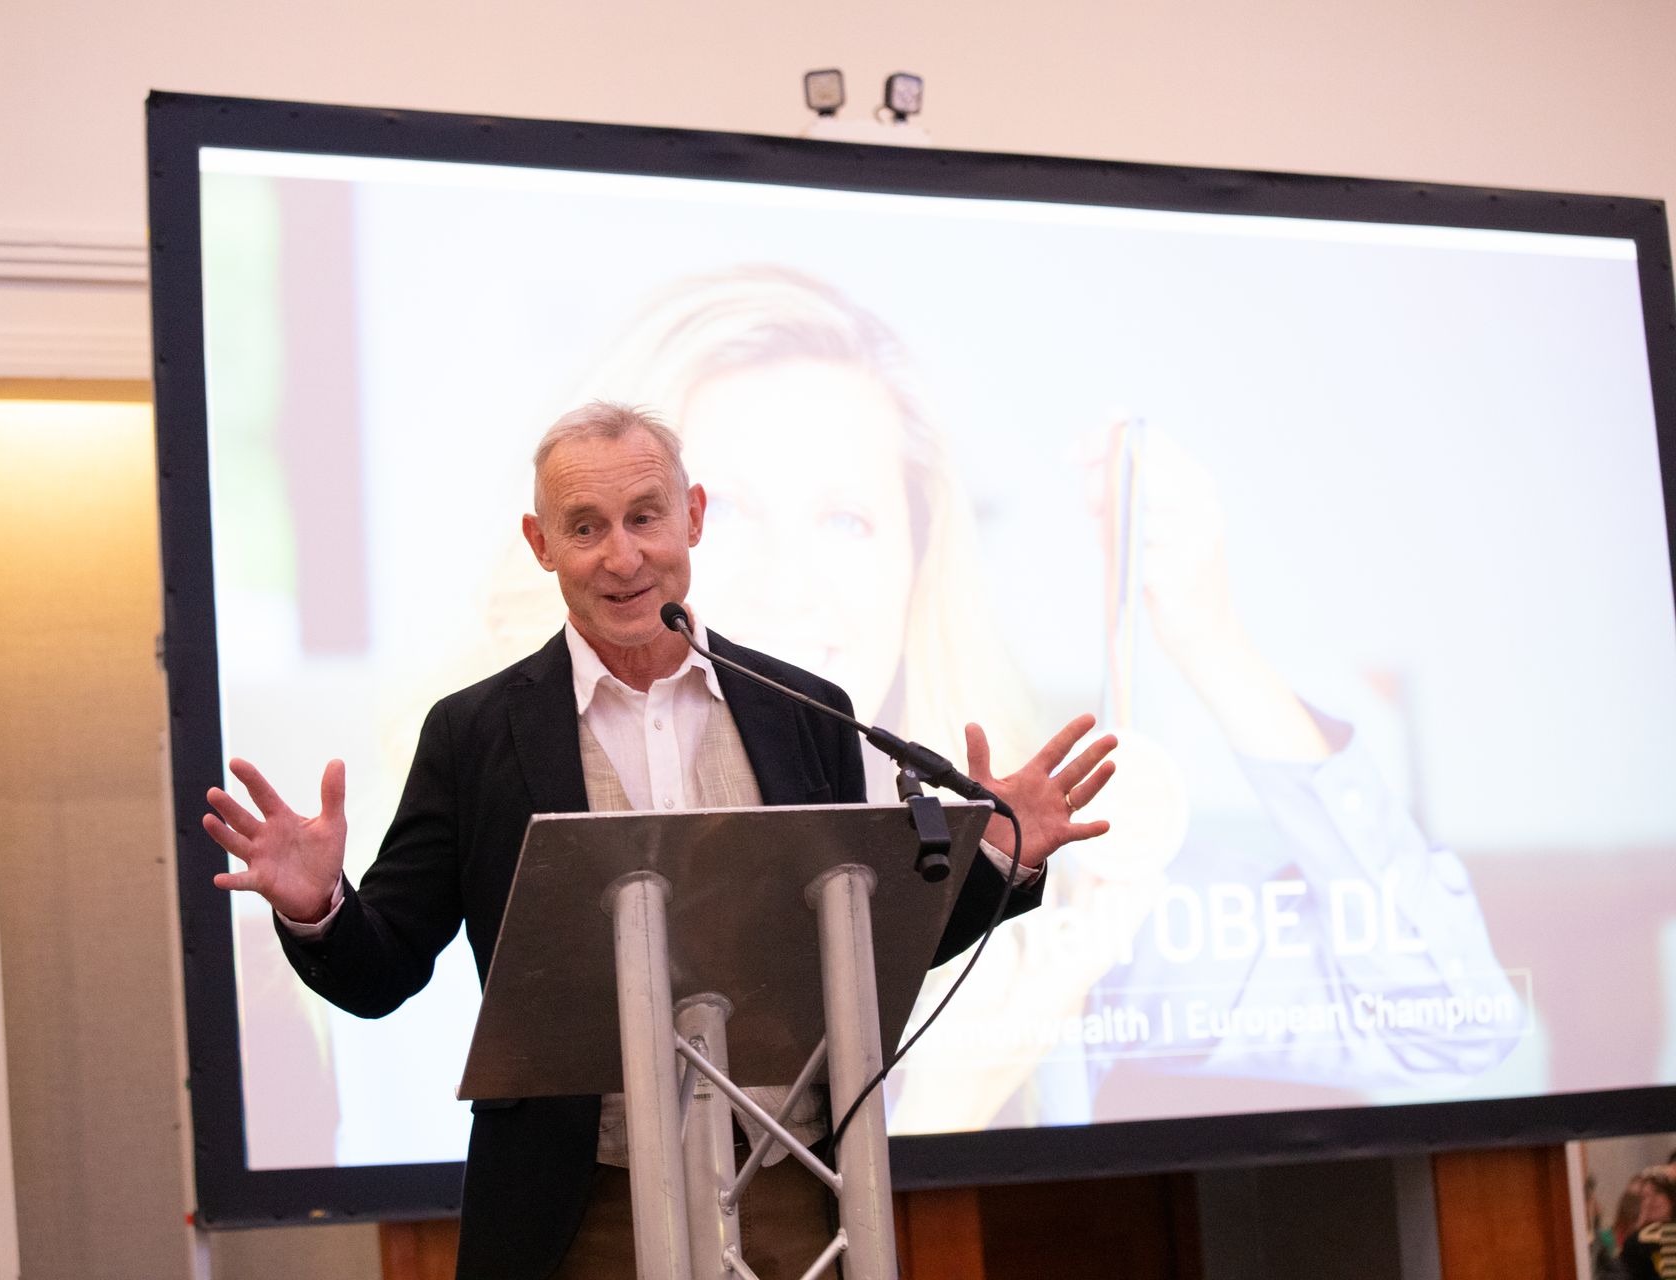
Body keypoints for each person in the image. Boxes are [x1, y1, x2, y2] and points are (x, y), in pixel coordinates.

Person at [525, 265, 1523, 1131]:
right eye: (735, 512)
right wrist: (963, 1083)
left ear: (917, 565)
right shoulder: (535, 821)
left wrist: (1214, 642)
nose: (792, 584)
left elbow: (1447, 1022)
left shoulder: (1022, 873)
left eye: (846, 521)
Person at [203, 402, 1118, 1280]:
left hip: (794, 1183)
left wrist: (1000, 855)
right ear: (541, 545)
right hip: (582, 1202)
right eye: (586, 527)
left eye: (646, 517)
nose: (623, 556)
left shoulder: (806, 712)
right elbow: (384, 967)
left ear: (693, 518)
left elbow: (864, 945)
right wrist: (319, 906)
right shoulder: (474, 734)